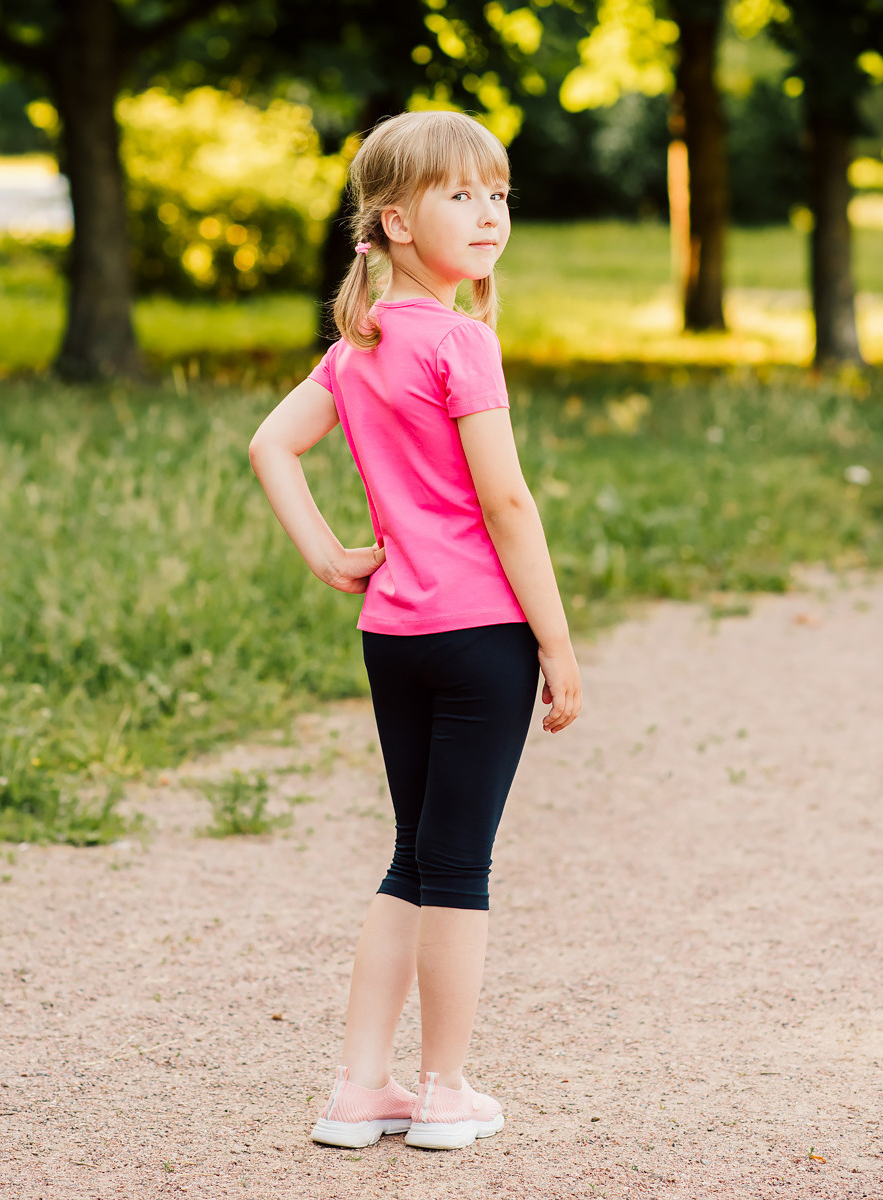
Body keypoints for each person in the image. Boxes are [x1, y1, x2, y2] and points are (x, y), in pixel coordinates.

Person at [249, 110, 582, 1153]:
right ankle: (442, 1091)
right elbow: (509, 506)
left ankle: (360, 1089)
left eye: (500, 196)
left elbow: (272, 444)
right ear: (393, 220)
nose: (489, 216)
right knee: (460, 871)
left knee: (413, 859)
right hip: (483, 636)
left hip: (393, 633)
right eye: (461, 196)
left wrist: (326, 552)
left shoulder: (360, 344)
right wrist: (559, 645)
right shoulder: (460, 345)